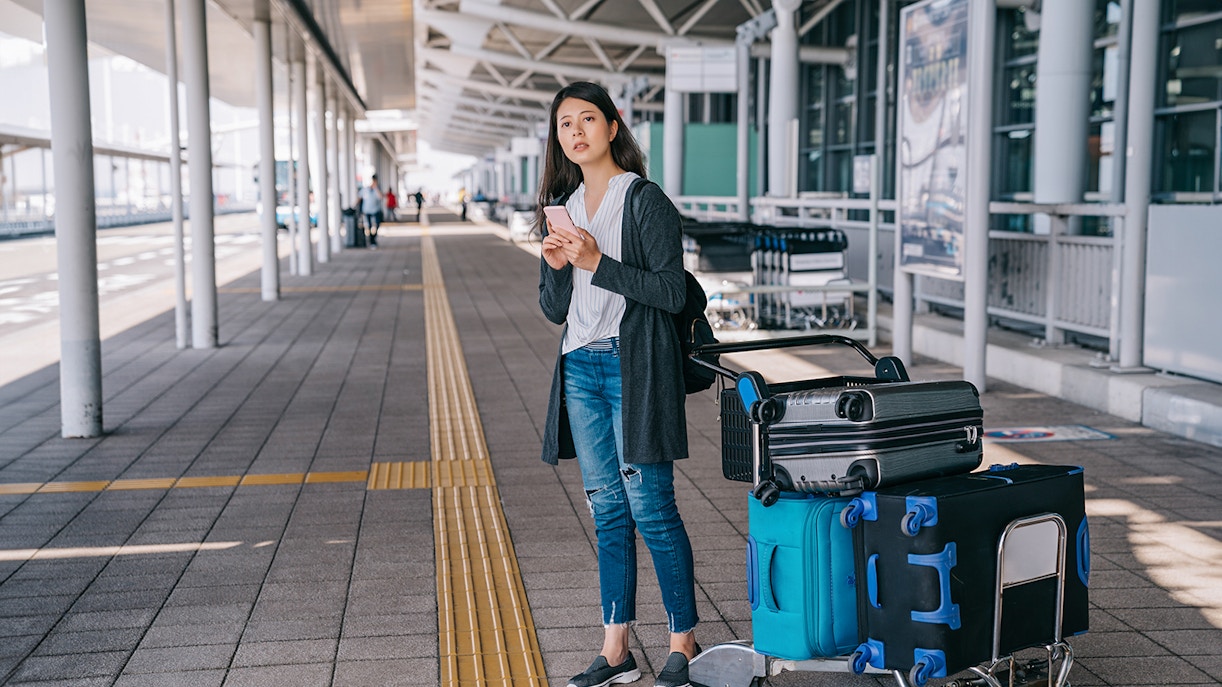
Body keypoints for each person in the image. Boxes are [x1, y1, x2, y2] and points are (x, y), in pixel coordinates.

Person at [535, 81, 699, 687]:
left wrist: (596, 261)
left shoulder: (644, 201)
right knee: (607, 510)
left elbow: (671, 292)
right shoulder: (563, 206)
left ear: (612, 126)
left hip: (634, 369)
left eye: (586, 120)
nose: (574, 132)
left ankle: (683, 639)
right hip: (580, 366)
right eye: (564, 125)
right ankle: (616, 651)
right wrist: (558, 267)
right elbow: (556, 310)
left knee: (651, 507)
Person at [359, 176, 382, 247]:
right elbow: (359, 197)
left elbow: (381, 197)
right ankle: (371, 240)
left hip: (376, 210)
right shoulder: (365, 189)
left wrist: (376, 188)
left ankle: (373, 237)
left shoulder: (377, 189)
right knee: (368, 225)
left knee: (377, 224)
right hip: (367, 210)